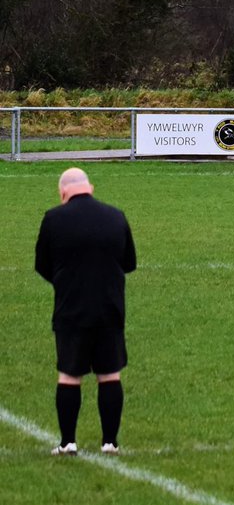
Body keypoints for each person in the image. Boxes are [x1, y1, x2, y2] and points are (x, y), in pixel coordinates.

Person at [35, 168, 137, 456]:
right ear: (90, 188)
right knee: (110, 375)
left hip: (71, 309)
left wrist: (65, 282)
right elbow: (129, 262)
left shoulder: (54, 218)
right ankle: (110, 442)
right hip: (110, 308)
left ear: (63, 191)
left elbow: (42, 263)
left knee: (69, 375)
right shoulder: (116, 216)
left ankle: (68, 441)